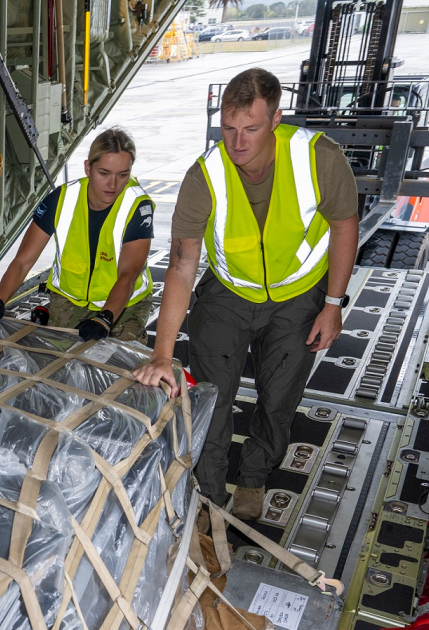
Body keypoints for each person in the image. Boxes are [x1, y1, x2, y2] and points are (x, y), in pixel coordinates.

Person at [133, 68, 360, 521]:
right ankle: (210, 494)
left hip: (298, 294)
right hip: (229, 290)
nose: (237, 143)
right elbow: (181, 264)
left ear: (276, 119)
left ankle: (254, 477)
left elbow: (343, 226)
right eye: (228, 128)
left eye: (251, 129)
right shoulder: (206, 175)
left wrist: (333, 304)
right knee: (212, 397)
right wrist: (162, 354)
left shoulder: (318, 158)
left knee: (278, 399)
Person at [0, 127, 155, 343]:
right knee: (59, 358)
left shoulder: (137, 205)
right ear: (88, 168)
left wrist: (105, 318)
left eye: (123, 175)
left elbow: (128, 274)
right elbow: (23, 261)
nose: (113, 184)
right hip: (69, 300)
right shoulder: (62, 199)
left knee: (117, 359)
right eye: (104, 173)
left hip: (124, 304)